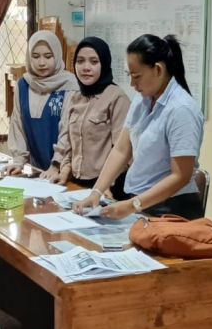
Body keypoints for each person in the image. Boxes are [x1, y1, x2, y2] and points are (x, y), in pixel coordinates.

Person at [74, 34, 204, 220]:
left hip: (172, 209)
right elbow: (121, 150)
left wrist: (132, 205)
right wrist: (96, 192)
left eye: (137, 76)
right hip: (141, 203)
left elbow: (180, 176)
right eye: (130, 75)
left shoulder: (181, 109)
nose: (132, 84)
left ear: (158, 69)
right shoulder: (142, 99)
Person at [41, 36, 130, 198]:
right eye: (80, 61)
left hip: (108, 187)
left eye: (94, 62)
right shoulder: (75, 97)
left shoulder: (117, 97)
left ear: (104, 64)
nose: (86, 67)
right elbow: (68, 143)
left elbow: (122, 150)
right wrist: (64, 171)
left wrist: (105, 185)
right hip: (76, 183)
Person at [6, 31, 78, 175]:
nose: (41, 63)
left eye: (48, 56)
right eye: (35, 56)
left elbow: (68, 130)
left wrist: (56, 164)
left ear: (57, 55)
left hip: (66, 169)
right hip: (38, 170)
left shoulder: (70, 85)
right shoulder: (23, 85)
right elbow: (17, 125)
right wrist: (18, 161)